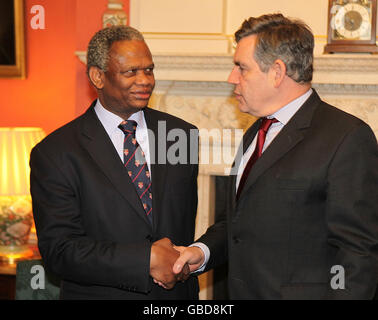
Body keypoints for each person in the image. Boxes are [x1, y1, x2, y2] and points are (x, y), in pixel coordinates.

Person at [172, 13, 378, 299]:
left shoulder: (347, 137)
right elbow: (238, 224)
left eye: (241, 68)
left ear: (277, 72)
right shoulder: (255, 133)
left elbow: (356, 254)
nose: (232, 78)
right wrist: (201, 251)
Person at [30, 26, 199, 299]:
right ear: (98, 76)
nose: (145, 80)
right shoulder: (55, 152)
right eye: (131, 72)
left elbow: (184, 225)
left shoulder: (181, 135)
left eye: (149, 70)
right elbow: (59, 251)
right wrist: (146, 259)